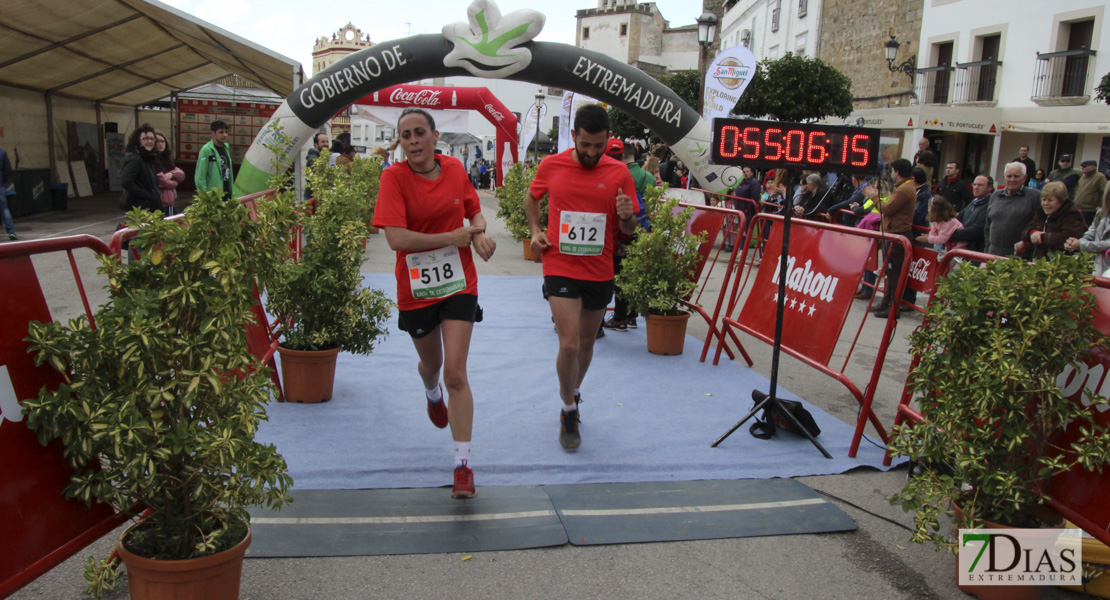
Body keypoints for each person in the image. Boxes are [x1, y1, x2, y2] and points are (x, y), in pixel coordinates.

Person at [373, 107, 496, 500]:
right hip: (415, 288)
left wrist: (477, 235)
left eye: (418, 133)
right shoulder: (393, 177)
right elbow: (396, 239)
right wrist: (453, 237)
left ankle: (462, 465)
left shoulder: (457, 171)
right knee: (433, 365)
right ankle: (431, 393)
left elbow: (473, 209)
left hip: (459, 283)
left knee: (456, 373)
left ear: (434, 135)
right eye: (405, 135)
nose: (412, 141)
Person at [526, 104, 637, 451]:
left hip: (599, 268)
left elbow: (628, 231)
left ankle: (573, 391)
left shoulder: (619, 173)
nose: (591, 152)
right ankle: (568, 408)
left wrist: (627, 217)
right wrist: (535, 229)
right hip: (559, 264)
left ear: (607, 140)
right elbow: (532, 197)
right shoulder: (551, 165)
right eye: (586, 144)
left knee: (588, 344)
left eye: (599, 145)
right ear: (574, 136)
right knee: (569, 343)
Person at [603, 138, 653, 332]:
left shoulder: (612, 173)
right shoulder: (646, 176)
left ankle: (620, 317)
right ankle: (631, 315)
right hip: (640, 229)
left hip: (618, 232)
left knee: (615, 278)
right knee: (630, 276)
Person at [869, 158, 916, 319]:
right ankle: (886, 302)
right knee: (890, 272)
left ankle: (892, 307)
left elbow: (888, 209)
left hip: (898, 235)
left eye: (893, 171)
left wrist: (874, 197)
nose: (891, 175)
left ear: (897, 171)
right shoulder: (904, 187)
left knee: (894, 273)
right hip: (894, 233)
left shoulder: (904, 189)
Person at [985, 162, 1041, 257]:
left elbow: (1039, 224)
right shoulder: (995, 196)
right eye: (1009, 176)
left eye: (1016, 176)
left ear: (1024, 178)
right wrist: (986, 250)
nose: (1012, 180)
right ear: (1004, 177)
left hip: (1021, 258)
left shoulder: (1035, 196)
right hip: (993, 255)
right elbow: (987, 226)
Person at [1019, 181, 1086, 259]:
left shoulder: (1072, 213)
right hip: (1042, 260)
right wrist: (1032, 233)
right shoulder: (1041, 212)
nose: (1046, 203)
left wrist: (1041, 237)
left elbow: (1068, 237)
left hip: (1064, 261)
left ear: (1061, 201)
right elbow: (1026, 231)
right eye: (1044, 200)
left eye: (1050, 200)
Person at [1065, 186, 1110, 275]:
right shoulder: (1101, 213)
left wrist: (1081, 245)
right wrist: (1076, 243)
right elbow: (1090, 233)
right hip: (1097, 266)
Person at [119, 124, 162, 214]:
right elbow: (127, 182)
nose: (149, 141)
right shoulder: (135, 158)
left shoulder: (148, 158)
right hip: (138, 208)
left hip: (149, 207)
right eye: (145, 138)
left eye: (152, 139)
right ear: (138, 141)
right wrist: (148, 195)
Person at [948, 175, 993, 254]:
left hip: (979, 251)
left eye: (980, 185)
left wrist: (951, 234)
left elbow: (978, 229)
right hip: (967, 250)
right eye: (974, 184)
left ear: (990, 187)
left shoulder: (991, 205)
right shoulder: (972, 203)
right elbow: (956, 220)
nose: (976, 187)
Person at [194, 120, 234, 199]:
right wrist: (206, 196)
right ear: (212, 133)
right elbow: (200, 177)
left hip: (227, 194)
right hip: (213, 197)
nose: (225, 135)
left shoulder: (226, 148)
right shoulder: (206, 150)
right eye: (221, 132)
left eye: (226, 132)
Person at [153, 131, 184, 216]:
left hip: (169, 203)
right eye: (157, 141)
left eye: (162, 141)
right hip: (158, 203)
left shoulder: (166, 160)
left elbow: (181, 174)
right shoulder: (152, 160)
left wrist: (171, 175)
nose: (160, 144)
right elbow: (161, 181)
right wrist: (175, 183)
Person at [1073, 160, 1107, 226]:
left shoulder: (1100, 177)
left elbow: (1105, 192)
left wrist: (1101, 206)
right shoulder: (1082, 178)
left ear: (1092, 167)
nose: (1082, 168)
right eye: (1081, 166)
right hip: (1078, 208)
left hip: (1090, 210)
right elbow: (1077, 190)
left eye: (1084, 166)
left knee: (1086, 227)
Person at [304, 132, 328, 201]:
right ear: (316, 143)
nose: (326, 144)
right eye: (323, 142)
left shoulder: (319, 156)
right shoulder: (314, 159)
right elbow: (314, 178)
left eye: (327, 141)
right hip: (312, 197)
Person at [0, 145, 15, 240]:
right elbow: (8, 169)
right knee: (4, 208)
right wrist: (3, 181)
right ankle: (11, 231)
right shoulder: (2, 152)